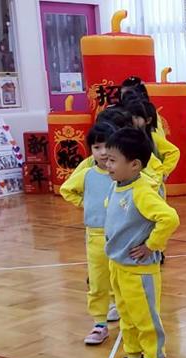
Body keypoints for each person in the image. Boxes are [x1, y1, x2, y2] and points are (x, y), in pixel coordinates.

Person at [101, 128, 180, 358]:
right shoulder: (117, 186)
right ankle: (133, 356)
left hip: (139, 269)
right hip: (119, 265)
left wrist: (151, 245)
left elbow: (169, 218)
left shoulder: (142, 191)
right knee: (127, 316)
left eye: (113, 160)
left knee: (145, 317)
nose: (106, 163)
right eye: (106, 158)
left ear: (134, 164)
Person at [59, 122, 118, 345]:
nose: (103, 152)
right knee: (98, 280)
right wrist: (85, 203)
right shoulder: (87, 174)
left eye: (107, 146)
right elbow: (66, 190)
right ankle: (99, 324)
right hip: (96, 235)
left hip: (122, 235)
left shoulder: (124, 174)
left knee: (122, 279)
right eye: (96, 147)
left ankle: (125, 313)